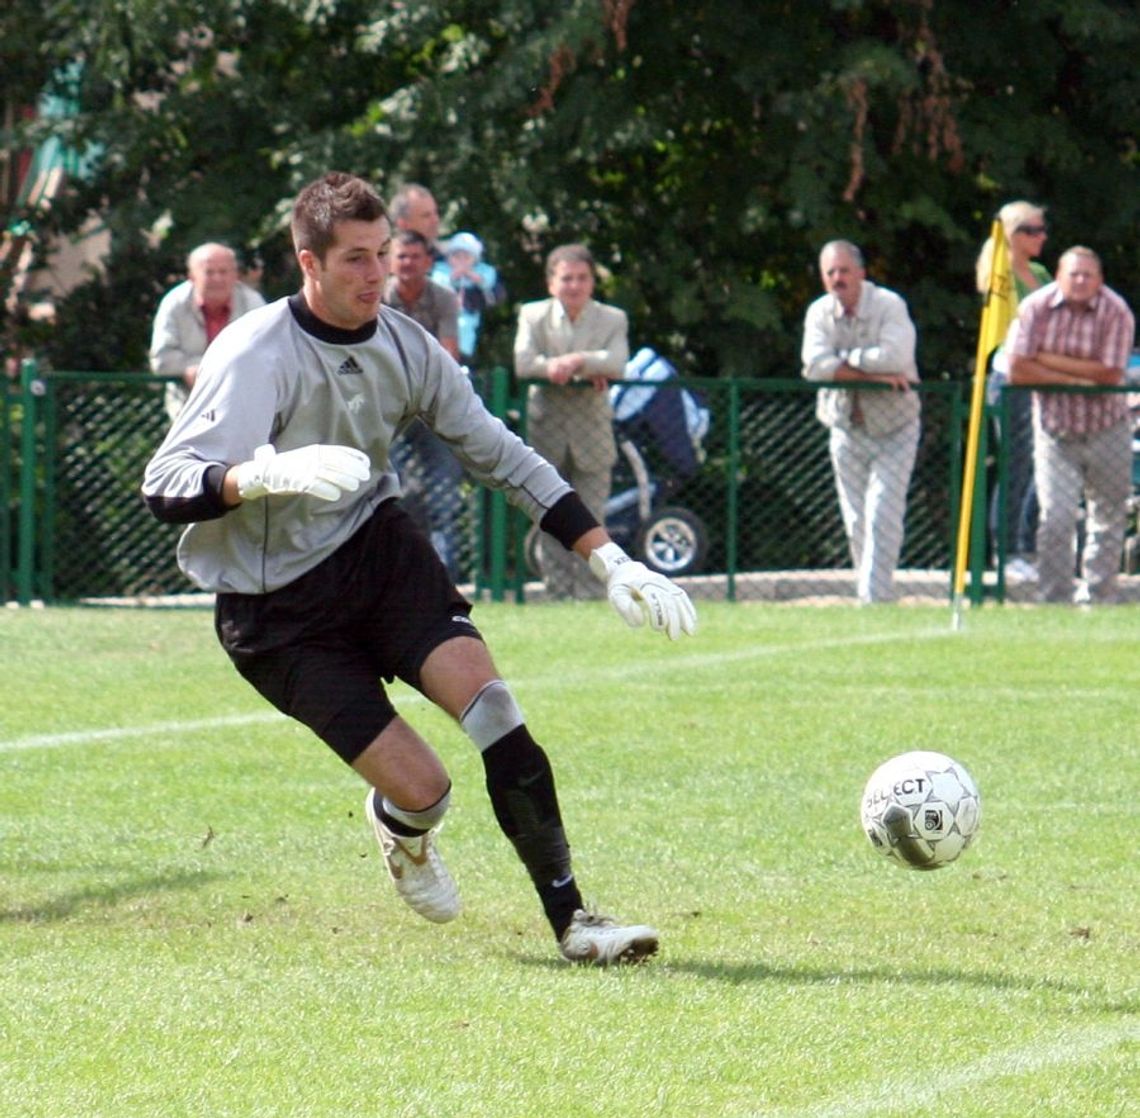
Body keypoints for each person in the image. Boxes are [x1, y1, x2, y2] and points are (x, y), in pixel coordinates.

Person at [141, 172, 696, 966]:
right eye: (355, 260)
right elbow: (163, 483)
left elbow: (500, 454)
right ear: (309, 263)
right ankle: (404, 825)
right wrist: (251, 478)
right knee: (426, 789)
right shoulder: (255, 350)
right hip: (275, 612)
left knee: (497, 712)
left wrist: (608, 558)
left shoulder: (403, 345)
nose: (375, 276)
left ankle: (577, 923)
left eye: (383, 256)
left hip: (375, 553)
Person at [1005, 246, 1135, 605]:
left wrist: (1045, 361)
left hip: (1107, 426)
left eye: (1087, 275)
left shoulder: (1116, 311)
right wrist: (1080, 376)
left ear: (1100, 280)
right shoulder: (1036, 308)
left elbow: (1109, 374)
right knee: (1056, 516)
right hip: (1054, 430)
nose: (1080, 281)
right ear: (1059, 276)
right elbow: (1017, 369)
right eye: (1073, 274)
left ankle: (1098, 597)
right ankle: (1054, 598)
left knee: (1107, 517)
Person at [801, 240, 921, 604]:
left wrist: (843, 362)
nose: (838, 278)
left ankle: (873, 599)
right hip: (844, 426)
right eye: (831, 272)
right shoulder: (819, 312)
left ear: (861, 274)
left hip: (896, 426)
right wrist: (871, 375)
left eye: (844, 271)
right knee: (855, 519)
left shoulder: (889, 305)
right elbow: (813, 366)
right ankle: (873, 591)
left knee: (882, 511)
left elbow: (896, 357)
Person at [514, 244, 630, 599]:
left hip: (592, 435)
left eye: (582, 278)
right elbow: (523, 363)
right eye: (567, 278)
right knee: (550, 519)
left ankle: (593, 595)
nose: (574, 286)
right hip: (546, 431)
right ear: (552, 283)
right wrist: (553, 368)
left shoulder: (613, 318)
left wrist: (578, 361)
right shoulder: (533, 316)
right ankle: (558, 594)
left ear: (592, 282)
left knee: (592, 519)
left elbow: (618, 363)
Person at [382, 229, 465, 579]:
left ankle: (447, 573)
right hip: (390, 412)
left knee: (443, 490)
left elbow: (448, 354)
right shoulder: (378, 298)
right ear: (390, 261)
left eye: (416, 256)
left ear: (429, 262)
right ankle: (396, 570)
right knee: (392, 491)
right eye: (401, 256)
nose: (408, 263)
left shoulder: (444, 298)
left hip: (434, 408)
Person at [976, 201, 1051, 581]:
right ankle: (1006, 549)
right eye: (1034, 231)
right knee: (1017, 462)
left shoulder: (1039, 271)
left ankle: (1030, 544)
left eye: (1042, 230)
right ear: (1013, 235)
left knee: (1047, 463)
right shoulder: (1000, 275)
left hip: (1046, 377)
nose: (1043, 237)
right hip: (1011, 379)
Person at [149, 242, 266, 421]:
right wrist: (192, 370)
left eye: (224, 272)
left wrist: (214, 371)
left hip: (242, 405)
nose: (217, 279)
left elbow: (268, 354)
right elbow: (161, 359)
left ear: (235, 275)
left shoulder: (253, 304)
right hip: (188, 408)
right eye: (209, 272)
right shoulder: (174, 304)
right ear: (192, 276)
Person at [431, 231, 503, 366]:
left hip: (467, 313)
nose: (461, 261)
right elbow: (437, 282)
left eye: (466, 257)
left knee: (466, 328)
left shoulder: (481, 270)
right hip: (445, 313)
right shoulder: (442, 269)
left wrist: (474, 276)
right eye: (457, 256)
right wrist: (453, 276)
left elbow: (488, 281)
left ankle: (463, 356)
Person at [388, 182, 443, 261]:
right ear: (402, 223)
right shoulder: (383, 264)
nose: (435, 220)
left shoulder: (450, 259)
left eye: (435, 212)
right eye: (426, 215)